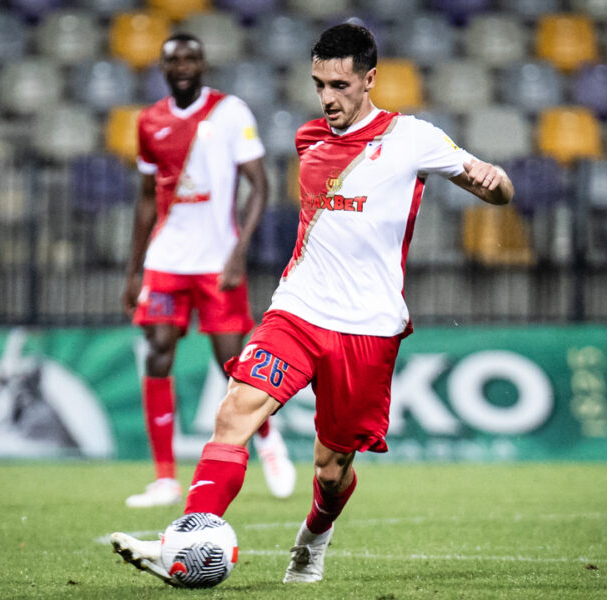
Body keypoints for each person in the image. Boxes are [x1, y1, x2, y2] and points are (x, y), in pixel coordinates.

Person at [111, 23, 514, 582]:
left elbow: (491, 187)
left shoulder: (412, 138)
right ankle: (186, 536)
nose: (327, 98)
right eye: (319, 84)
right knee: (234, 412)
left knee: (331, 469)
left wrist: (493, 182)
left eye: (340, 86)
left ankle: (313, 540)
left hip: (368, 329)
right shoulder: (309, 139)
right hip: (297, 312)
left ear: (370, 80)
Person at [121, 33, 296, 508]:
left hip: (217, 260)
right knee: (158, 352)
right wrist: (134, 270)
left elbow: (260, 186)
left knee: (232, 365)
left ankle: (268, 441)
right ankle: (164, 479)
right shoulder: (149, 121)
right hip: (166, 260)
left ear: (202, 64)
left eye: (191, 57)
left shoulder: (230, 112)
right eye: (174, 58)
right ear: (161, 67)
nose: (183, 65)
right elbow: (143, 202)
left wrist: (240, 251)